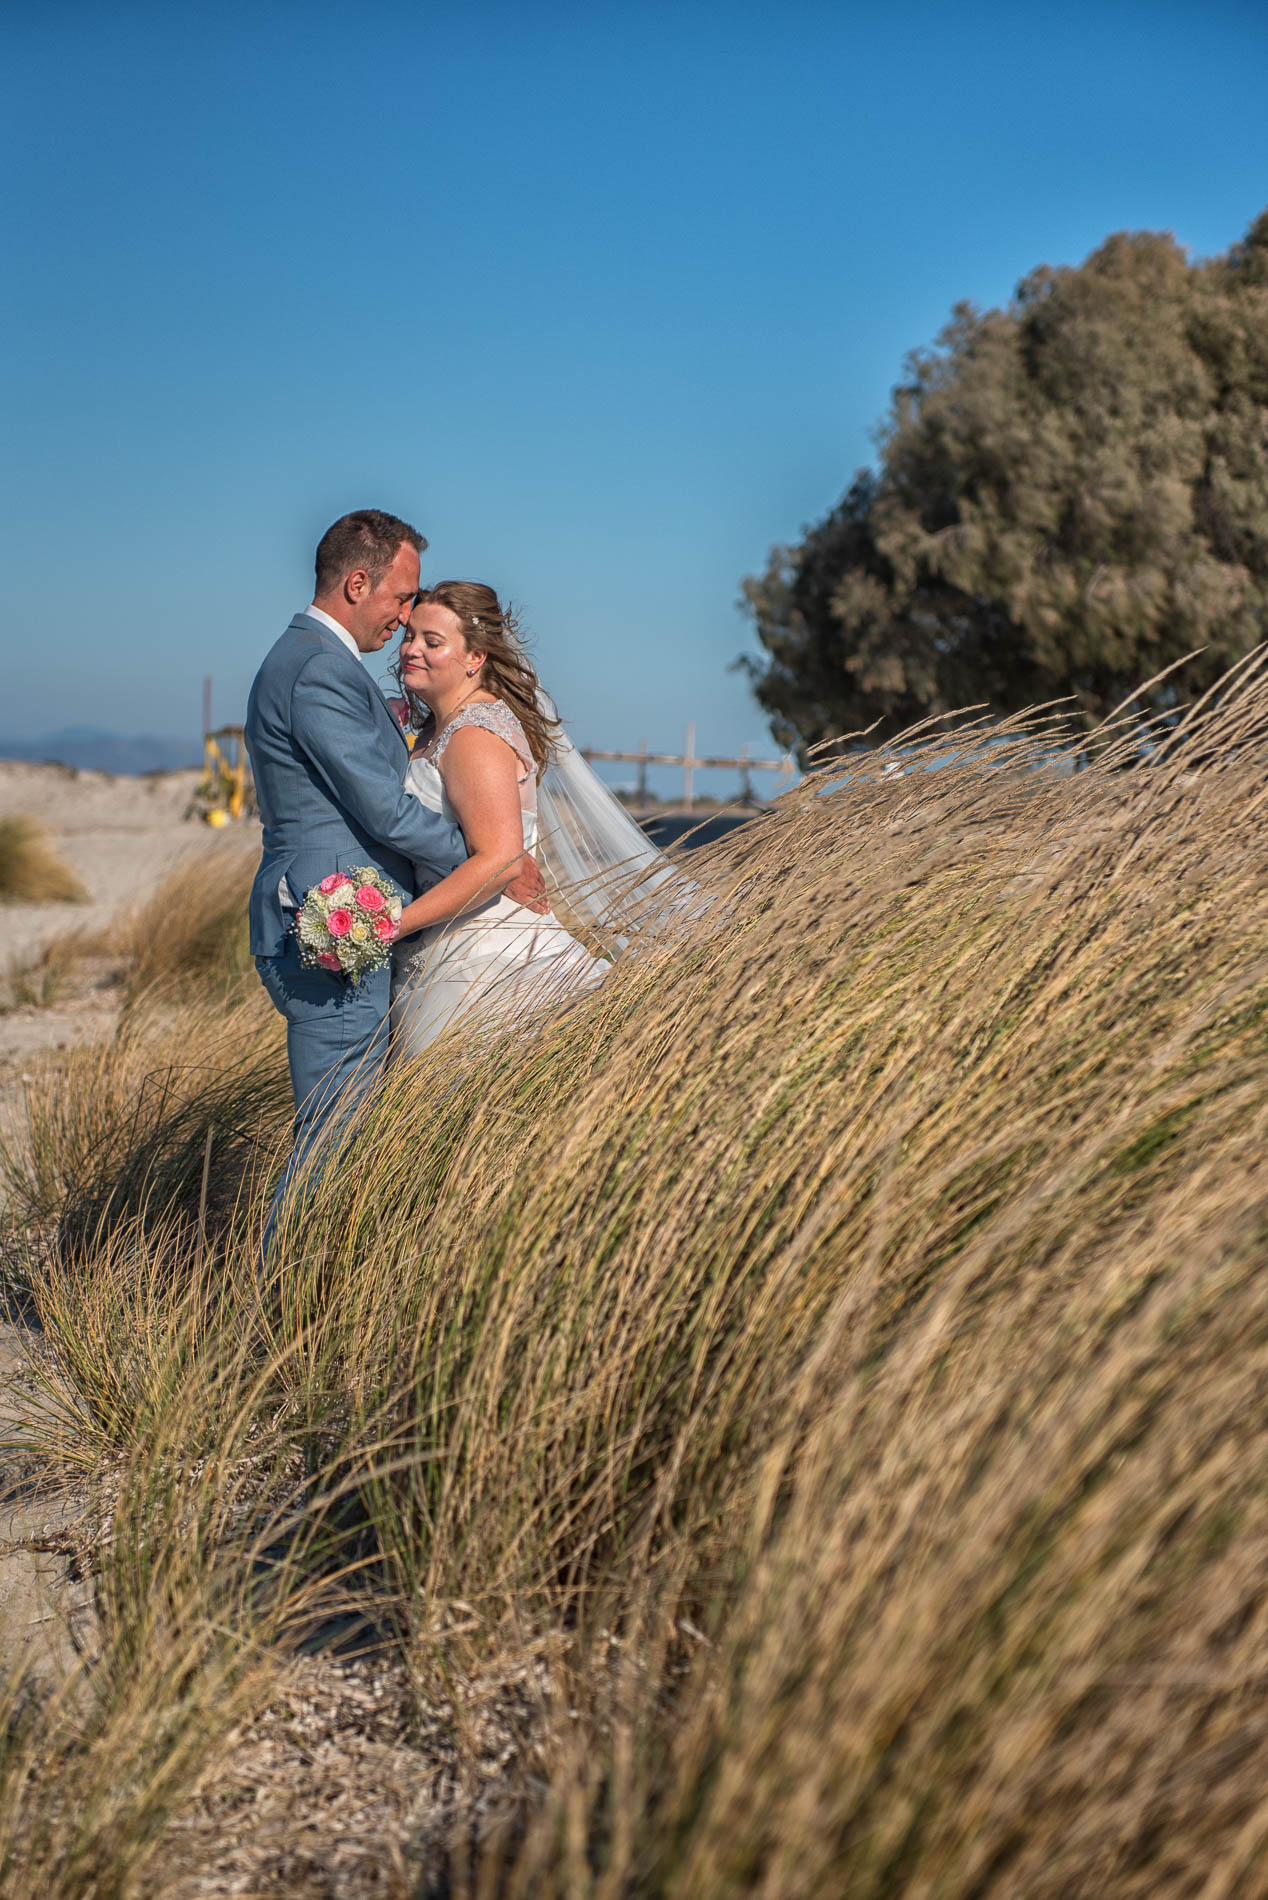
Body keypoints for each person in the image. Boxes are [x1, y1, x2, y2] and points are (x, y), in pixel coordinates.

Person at [245, 515, 545, 1239]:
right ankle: (276, 1310)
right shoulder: (319, 667)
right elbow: (384, 809)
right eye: (402, 599)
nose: (406, 618)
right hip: (337, 922)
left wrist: (493, 856)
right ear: (357, 583)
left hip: (349, 918)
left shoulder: (309, 661)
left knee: (343, 1128)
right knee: (335, 1133)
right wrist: (495, 863)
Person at [389, 581, 675, 1056]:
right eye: (410, 637)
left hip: (482, 960)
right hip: (446, 948)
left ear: (474, 657)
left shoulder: (474, 734)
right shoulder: (436, 731)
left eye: (432, 642)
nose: (411, 650)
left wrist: (394, 925)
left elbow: (500, 861)